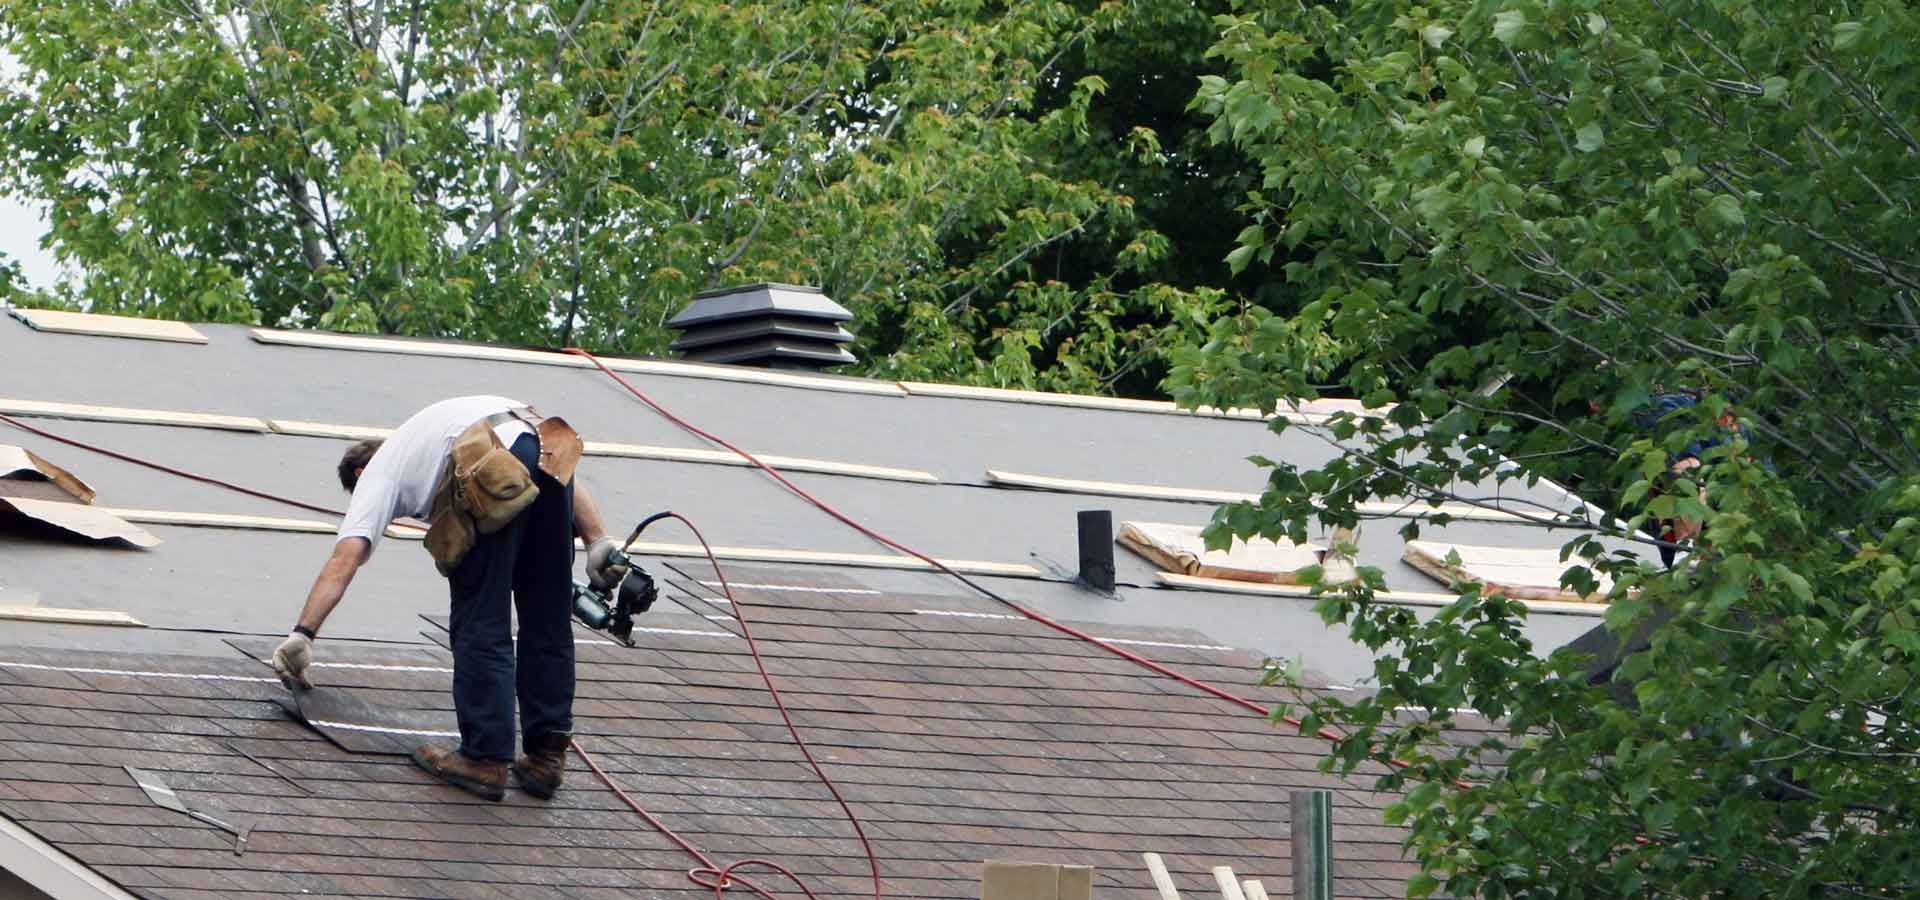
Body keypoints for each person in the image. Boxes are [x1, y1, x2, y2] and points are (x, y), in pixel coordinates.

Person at [270, 396, 633, 801]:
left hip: (493, 463)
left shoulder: (380, 472)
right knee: (545, 615)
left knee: (481, 618)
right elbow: (546, 462)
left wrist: (303, 634)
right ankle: (546, 758)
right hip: (545, 443)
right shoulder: (427, 435)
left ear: (360, 471)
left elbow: (346, 557)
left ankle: (485, 759)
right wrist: (597, 540)